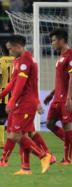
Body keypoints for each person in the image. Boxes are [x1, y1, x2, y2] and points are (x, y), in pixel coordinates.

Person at [0, 35, 52, 174]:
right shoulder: (19, 60)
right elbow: (12, 83)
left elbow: (21, 84)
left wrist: (11, 102)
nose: (10, 52)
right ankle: (25, 168)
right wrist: (0, 96)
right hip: (22, 102)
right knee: (21, 134)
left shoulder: (26, 60)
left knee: (15, 135)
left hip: (25, 103)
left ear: (18, 46)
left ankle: (44, 156)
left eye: (10, 49)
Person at [44, 29, 72, 165]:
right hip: (57, 98)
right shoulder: (61, 56)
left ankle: (68, 158)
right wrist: (51, 94)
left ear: (61, 40)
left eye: (54, 40)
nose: (52, 43)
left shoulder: (70, 55)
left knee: (67, 126)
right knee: (49, 124)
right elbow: (62, 79)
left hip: (66, 98)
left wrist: (69, 98)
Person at [0, 42, 14, 148]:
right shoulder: (16, 60)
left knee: (0, 119)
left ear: (1, 50)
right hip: (14, 95)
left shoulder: (0, 61)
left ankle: (0, 143)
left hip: (3, 95)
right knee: (14, 119)